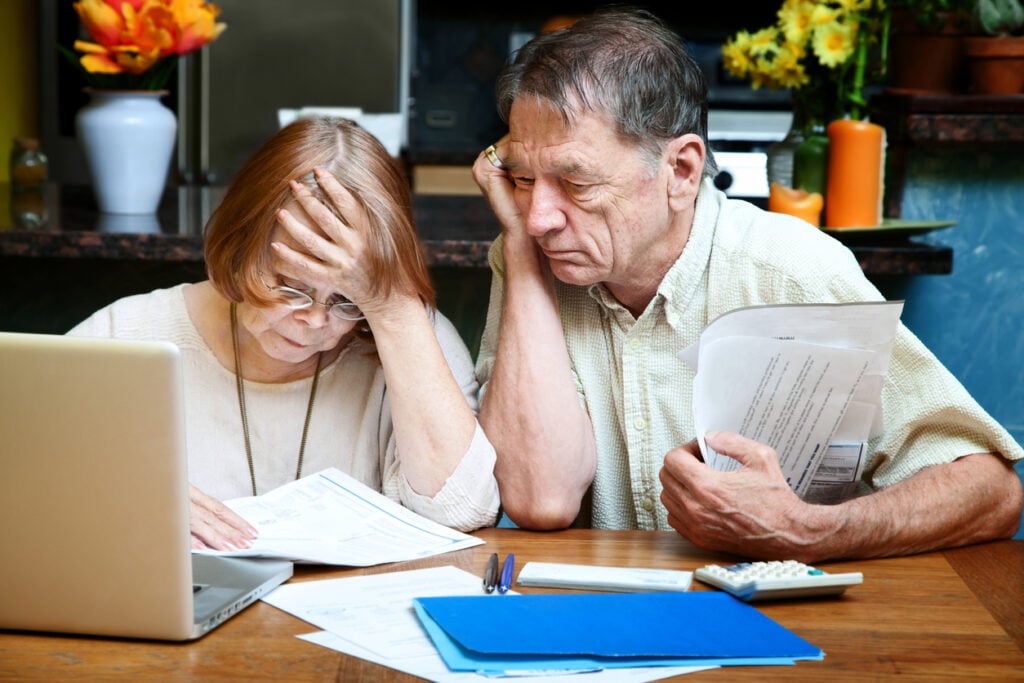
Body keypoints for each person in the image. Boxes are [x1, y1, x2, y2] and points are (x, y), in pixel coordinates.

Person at [471, 7, 1023, 561]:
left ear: (682, 172)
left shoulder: (788, 268)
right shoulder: (529, 252)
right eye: (521, 178)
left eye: (575, 181)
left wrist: (810, 531)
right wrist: (519, 254)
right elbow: (540, 499)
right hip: (615, 622)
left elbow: (991, 492)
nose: (539, 216)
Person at [69, 116, 500, 547]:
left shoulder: (405, 331)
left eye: (346, 300)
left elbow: (462, 509)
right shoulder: (126, 335)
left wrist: (391, 306)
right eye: (291, 287)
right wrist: (124, 494)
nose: (315, 321)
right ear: (239, 247)